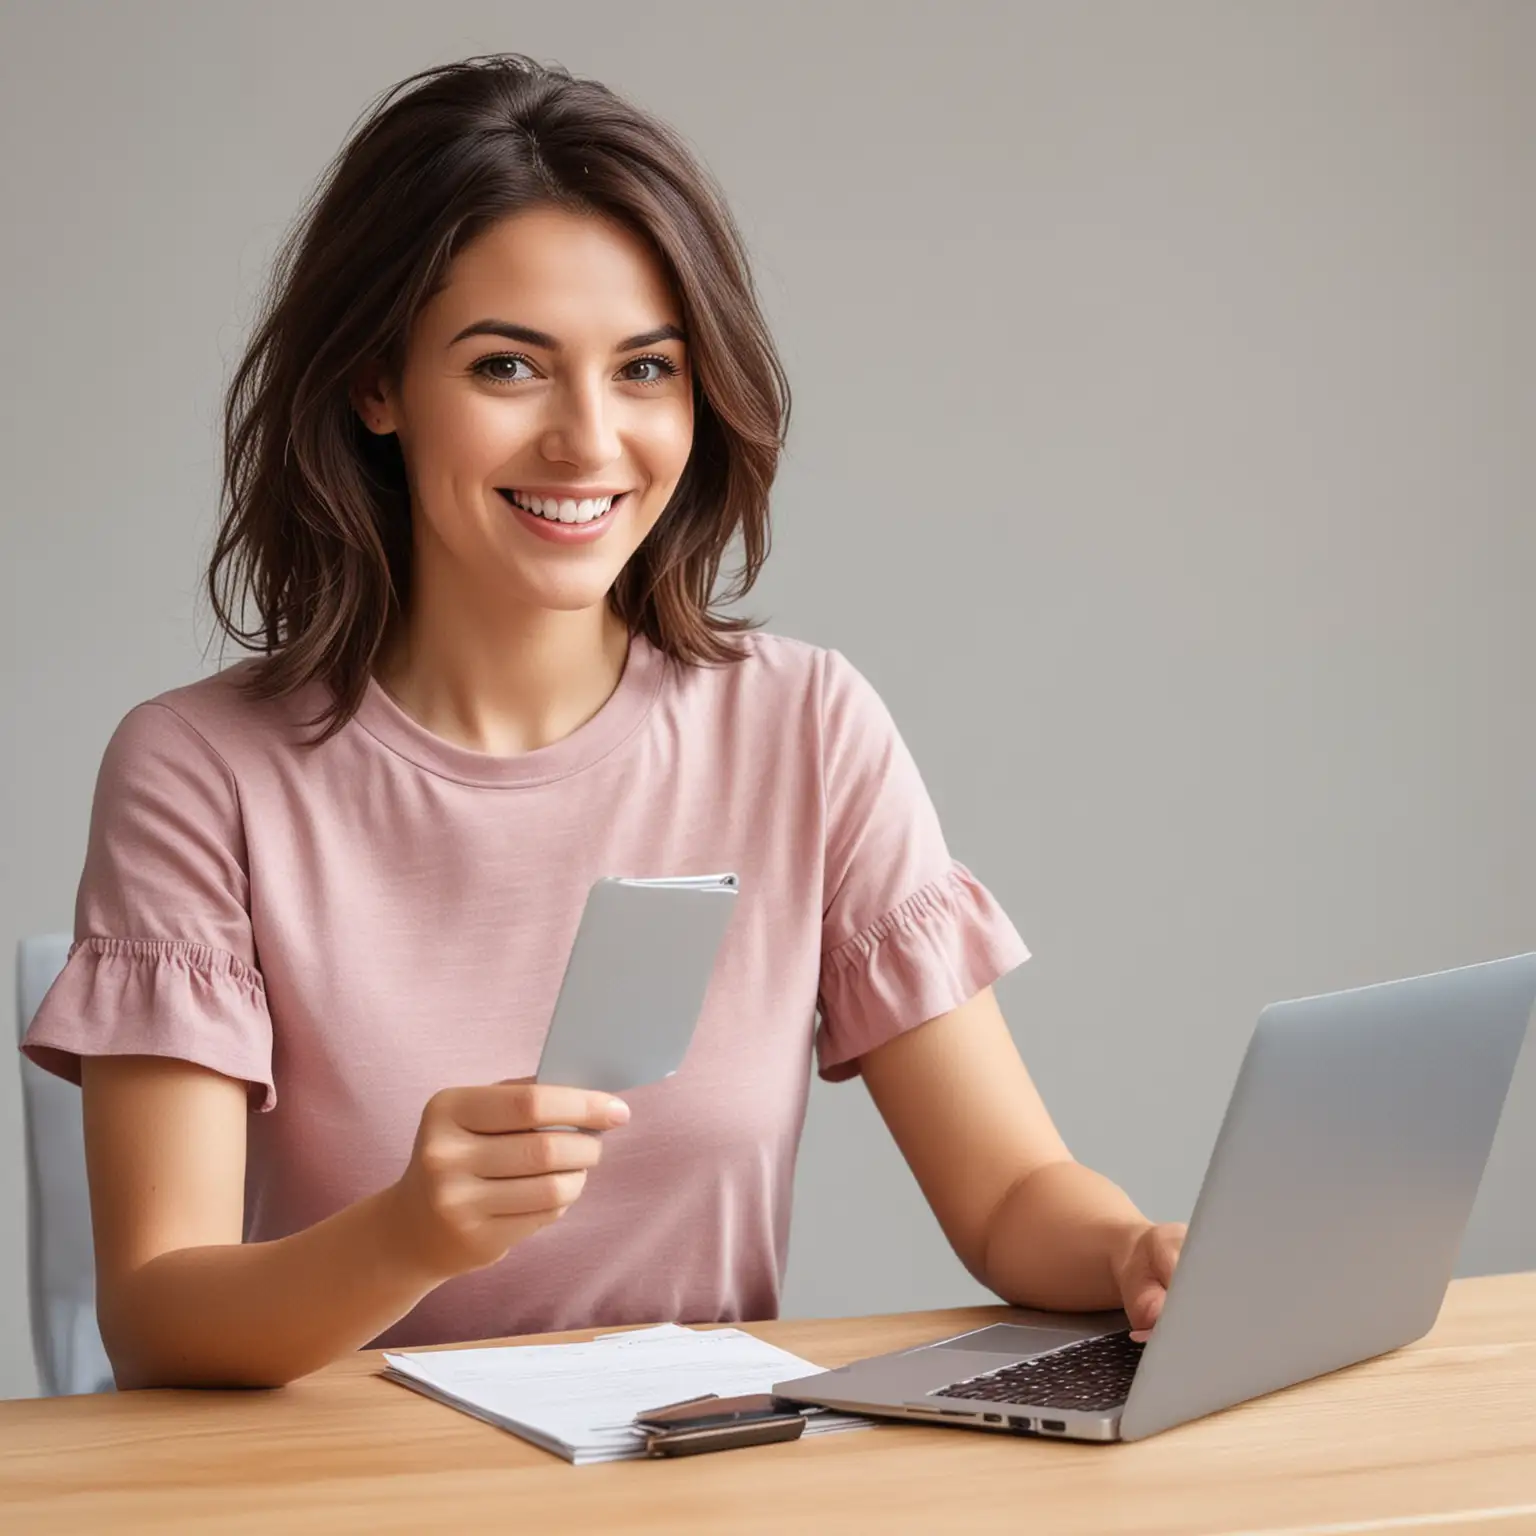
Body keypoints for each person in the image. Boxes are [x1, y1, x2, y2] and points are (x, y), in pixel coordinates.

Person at [21, 53, 1184, 1391]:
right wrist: (405, 1237)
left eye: (645, 370)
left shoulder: (804, 727)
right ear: (374, 386)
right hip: (345, 1498)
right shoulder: (201, 770)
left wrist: (1134, 1252)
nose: (589, 440)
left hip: (695, 1483)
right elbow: (157, 1310)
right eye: (509, 366)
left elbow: (1010, 1194)